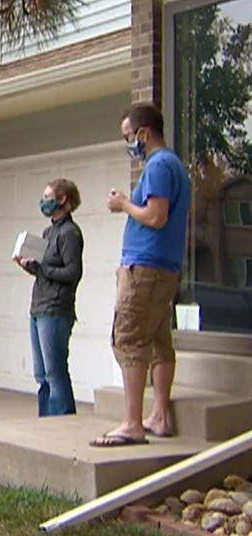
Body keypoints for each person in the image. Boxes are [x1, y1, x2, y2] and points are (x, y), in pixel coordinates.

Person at [91, 103, 191, 447]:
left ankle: (132, 422)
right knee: (160, 340)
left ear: (143, 134)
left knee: (130, 339)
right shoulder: (175, 165)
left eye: (129, 137)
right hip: (163, 268)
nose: (129, 144)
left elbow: (156, 215)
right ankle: (160, 415)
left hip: (145, 268)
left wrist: (123, 204)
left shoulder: (159, 165)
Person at [14, 179, 84, 416]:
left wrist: (43, 268)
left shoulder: (70, 233)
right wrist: (28, 265)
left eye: (47, 196)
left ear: (62, 199)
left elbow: (73, 272)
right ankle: (45, 419)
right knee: (41, 373)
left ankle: (63, 419)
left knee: (55, 371)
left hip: (56, 309)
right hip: (39, 307)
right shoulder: (49, 231)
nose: (43, 201)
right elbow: (43, 270)